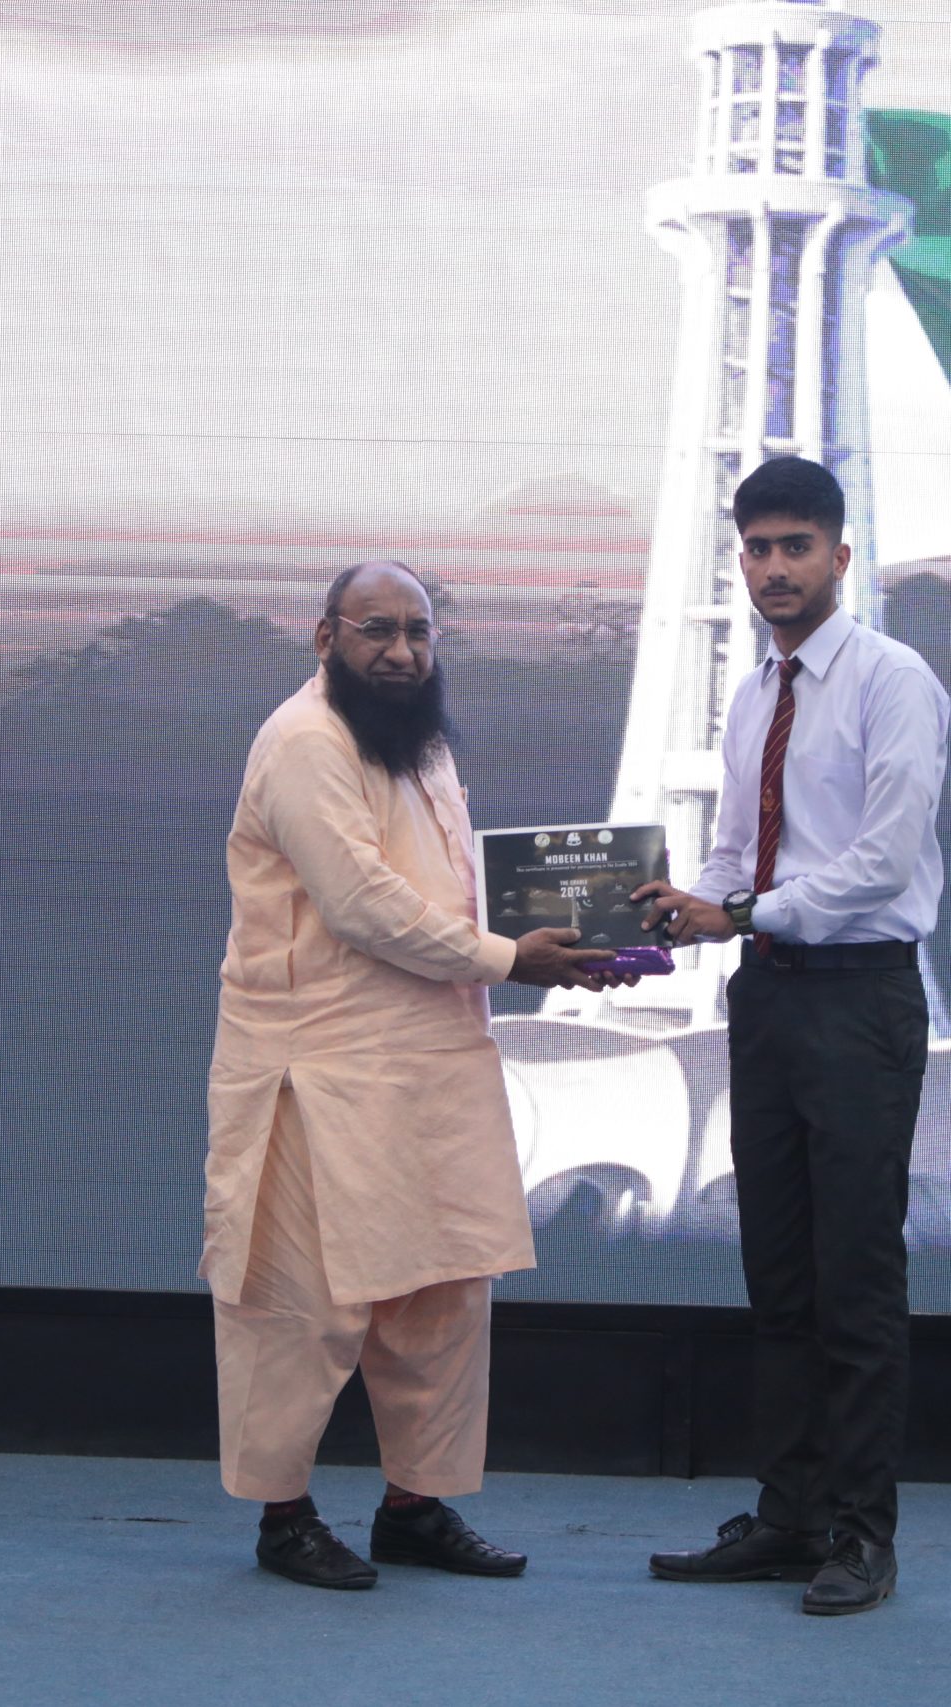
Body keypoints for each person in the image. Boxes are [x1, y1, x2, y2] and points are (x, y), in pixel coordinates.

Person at [203, 560, 628, 1590]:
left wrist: (584, 929)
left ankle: (415, 1506)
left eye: (419, 633)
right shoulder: (305, 742)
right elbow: (361, 905)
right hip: (317, 1069)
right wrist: (511, 958)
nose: (401, 652)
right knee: (302, 1304)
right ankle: (283, 1518)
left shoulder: (419, 742)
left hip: (431, 1059)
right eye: (377, 631)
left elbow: (453, 887)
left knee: (443, 1291)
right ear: (326, 638)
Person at [632, 457, 949, 1617]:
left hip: (860, 999)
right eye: (757, 549)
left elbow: (883, 861)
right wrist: (682, 908)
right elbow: (736, 850)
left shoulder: (893, 680)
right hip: (765, 996)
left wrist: (742, 911)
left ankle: (862, 1534)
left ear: (839, 557)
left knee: (854, 1280)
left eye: (794, 548)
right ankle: (789, 1515)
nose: (773, 568)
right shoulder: (753, 692)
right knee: (778, 1276)